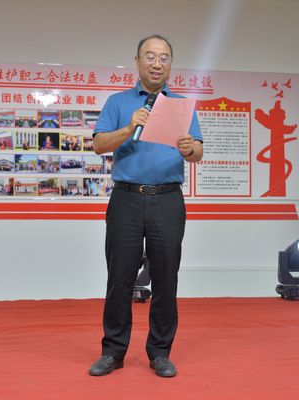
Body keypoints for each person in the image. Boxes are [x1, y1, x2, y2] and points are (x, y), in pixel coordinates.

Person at [88, 34, 203, 378]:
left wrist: (189, 148)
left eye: (164, 58)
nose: (157, 64)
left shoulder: (181, 106)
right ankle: (113, 352)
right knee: (119, 278)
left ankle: (160, 352)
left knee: (166, 279)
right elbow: (98, 145)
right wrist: (130, 127)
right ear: (137, 61)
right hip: (126, 198)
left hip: (167, 199)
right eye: (150, 57)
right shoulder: (119, 102)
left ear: (171, 64)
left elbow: (197, 151)